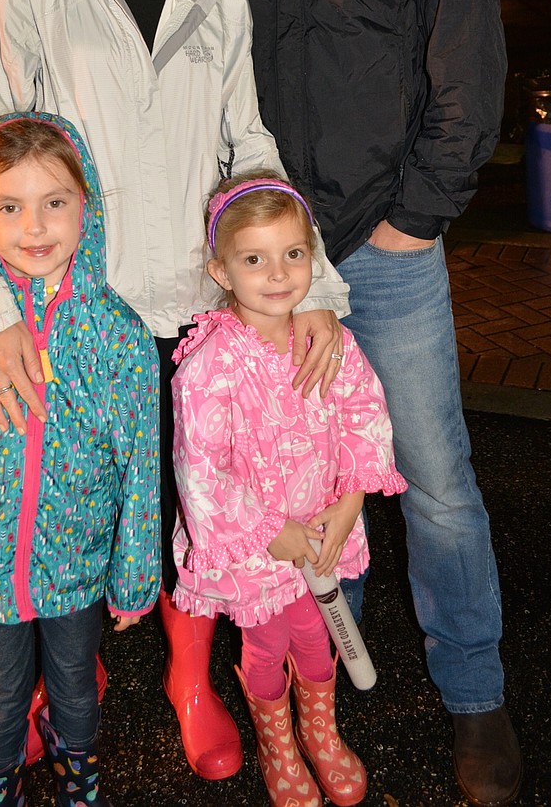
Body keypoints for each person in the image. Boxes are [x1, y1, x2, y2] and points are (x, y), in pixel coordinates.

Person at [0, 0, 351, 783]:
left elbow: (248, 150)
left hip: (188, 309)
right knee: (62, 498)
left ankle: (189, 677)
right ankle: (49, 678)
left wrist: (312, 287)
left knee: (187, 506)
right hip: (60, 314)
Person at [178, 0, 521, 806]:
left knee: (432, 483)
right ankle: (322, 686)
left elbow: (468, 65)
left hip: (385, 254)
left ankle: (475, 697)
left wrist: (411, 224)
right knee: (290, 484)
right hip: (264, 270)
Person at [0, 112, 158, 806]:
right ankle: (0, 779)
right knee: (1, 696)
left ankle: (79, 770)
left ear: (88, 206)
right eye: (10, 206)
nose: (35, 226)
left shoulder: (121, 336)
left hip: (78, 567)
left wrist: (134, 574)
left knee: (77, 685)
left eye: (55, 202)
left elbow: (141, 467)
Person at [171, 172, 407, 807]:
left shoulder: (328, 343)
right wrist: (271, 531)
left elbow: (363, 412)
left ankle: (320, 733)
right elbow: (201, 465)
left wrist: (352, 498)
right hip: (260, 547)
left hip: (325, 526)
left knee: (317, 634)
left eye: (293, 254)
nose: (278, 274)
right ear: (221, 271)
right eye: (255, 259)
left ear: (313, 257)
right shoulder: (209, 366)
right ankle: (279, 745)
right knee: (268, 643)